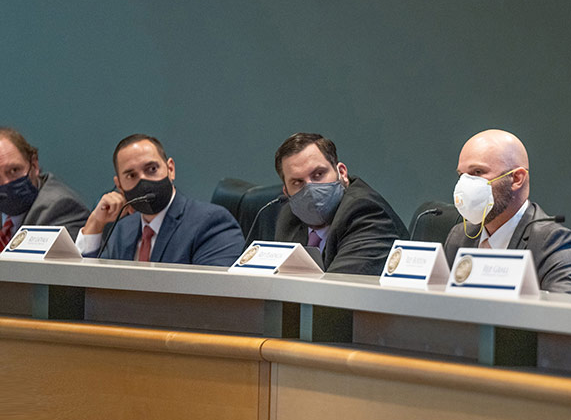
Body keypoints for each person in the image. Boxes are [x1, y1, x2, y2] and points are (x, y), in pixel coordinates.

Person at [444, 129, 571, 294]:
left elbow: (566, 314)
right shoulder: (459, 236)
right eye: (462, 175)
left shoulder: (554, 244)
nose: (465, 185)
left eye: (478, 172)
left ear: (516, 179)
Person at [246, 132, 408, 275]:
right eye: (297, 182)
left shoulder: (365, 212)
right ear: (286, 192)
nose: (310, 189)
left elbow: (339, 292)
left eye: (318, 174)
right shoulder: (289, 215)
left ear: (342, 172)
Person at [76, 134, 244, 266]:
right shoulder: (122, 231)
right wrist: (94, 224)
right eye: (131, 175)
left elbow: (216, 299)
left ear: (170, 169)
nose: (143, 181)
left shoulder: (211, 223)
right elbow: (87, 290)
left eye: (152, 169)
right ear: (119, 185)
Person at [0, 127, 90, 249]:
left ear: (34, 165)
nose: (6, 182)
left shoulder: (61, 207)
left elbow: (50, 268)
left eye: (14, 170)